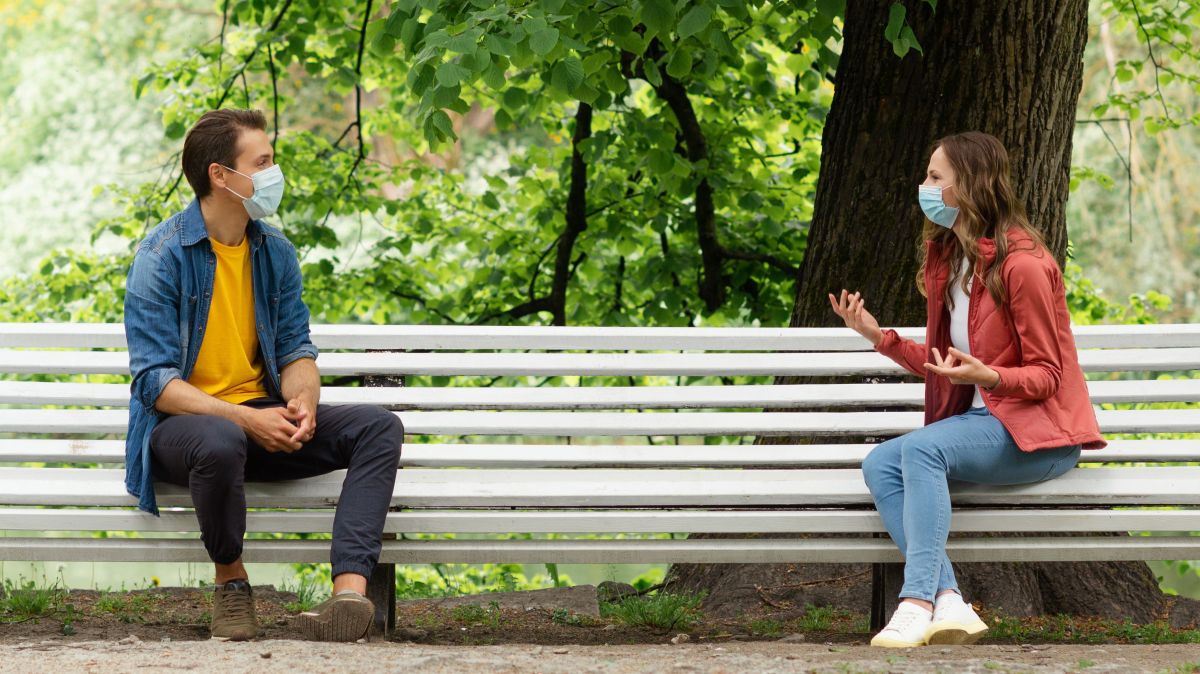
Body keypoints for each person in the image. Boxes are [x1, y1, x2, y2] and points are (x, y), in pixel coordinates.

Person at [123, 109, 404, 642]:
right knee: (222, 438)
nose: (274, 173)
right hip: (185, 431)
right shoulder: (161, 256)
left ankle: (348, 595)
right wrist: (245, 421)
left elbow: (296, 349)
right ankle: (231, 586)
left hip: (259, 422)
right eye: (263, 162)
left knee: (378, 426)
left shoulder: (275, 252)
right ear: (220, 175)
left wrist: (302, 403)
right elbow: (155, 383)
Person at [829, 131, 1105, 648]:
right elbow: (943, 364)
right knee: (881, 464)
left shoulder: (1024, 265)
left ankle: (916, 602)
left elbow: (1048, 374)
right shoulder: (953, 260)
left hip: (1040, 435)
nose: (924, 186)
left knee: (921, 450)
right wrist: (876, 335)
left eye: (935, 177)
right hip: (982, 426)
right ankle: (949, 599)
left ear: (970, 186)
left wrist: (990, 376)